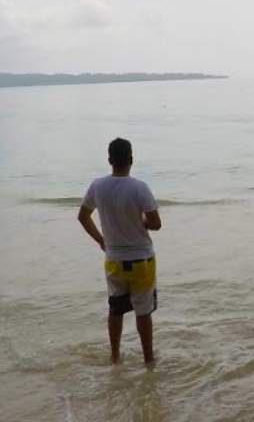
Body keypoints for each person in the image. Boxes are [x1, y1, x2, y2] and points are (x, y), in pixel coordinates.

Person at [77, 138, 162, 365]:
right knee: (143, 312)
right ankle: (148, 359)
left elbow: (83, 217)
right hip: (141, 260)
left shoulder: (98, 186)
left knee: (115, 310)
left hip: (114, 260)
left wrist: (101, 240)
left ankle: (115, 356)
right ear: (131, 160)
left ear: (109, 160)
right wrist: (142, 221)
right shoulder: (140, 188)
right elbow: (156, 223)